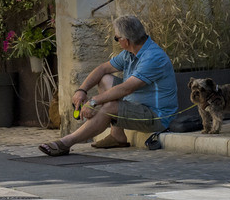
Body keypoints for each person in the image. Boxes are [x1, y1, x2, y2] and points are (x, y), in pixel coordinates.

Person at [40, 14, 178, 156]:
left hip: (156, 117)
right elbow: (102, 69)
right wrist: (82, 90)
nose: (117, 41)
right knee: (105, 79)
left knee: (111, 107)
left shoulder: (152, 57)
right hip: (137, 106)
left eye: (116, 38)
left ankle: (66, 142)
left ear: (126, 40)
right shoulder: (130, 53)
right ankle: (117, 135)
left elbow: (126, 88)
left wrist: (93, 102)